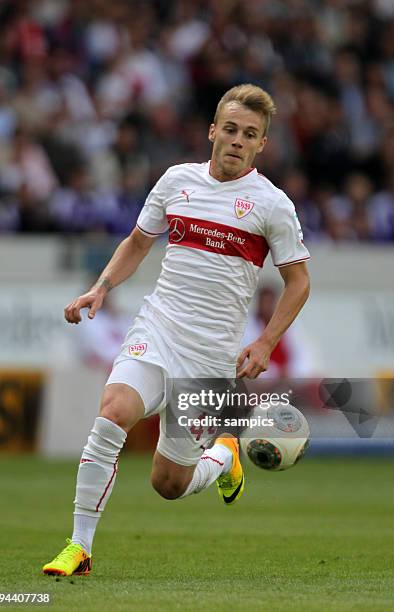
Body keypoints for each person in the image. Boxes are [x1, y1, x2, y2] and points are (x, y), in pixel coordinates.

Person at [42, 84, 310, 577]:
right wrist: (101, 288)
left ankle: (224, 458)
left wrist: (266, 341)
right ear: (212, 131)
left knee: (167, 483)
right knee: (113, 412)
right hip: (158, 328)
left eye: (249, 135)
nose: (237, 140)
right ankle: (78, 548)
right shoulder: (176, 181)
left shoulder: (272, 205)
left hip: (210, 361)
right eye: (229, 129)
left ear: (261, 145)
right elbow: (138, 242)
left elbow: (298, 281)